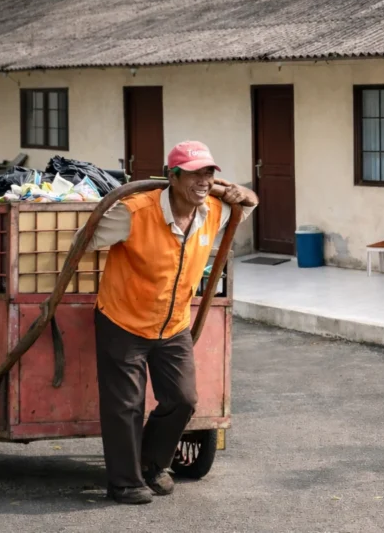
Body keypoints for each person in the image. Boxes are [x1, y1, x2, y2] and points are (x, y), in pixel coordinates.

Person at [81, 141, 258, 505]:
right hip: (122, 320)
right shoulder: (134, 212)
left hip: (173, 323)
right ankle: (124, 484)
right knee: (125, 405)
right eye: (195, 173)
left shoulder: (214, 210)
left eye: (209, 173)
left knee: (183, 399)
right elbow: (85, 241)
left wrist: (239, 191)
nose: (204, 181)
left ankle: (149, 465)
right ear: (172, 177)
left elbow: (250, 202)